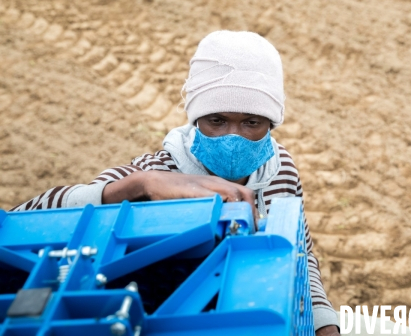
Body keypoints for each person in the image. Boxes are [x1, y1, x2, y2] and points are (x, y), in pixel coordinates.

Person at [11, 30, 341, 336]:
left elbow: (302, 253)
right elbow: (31, 215)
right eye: (217, 120)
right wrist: (137, 186)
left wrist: (323, 319)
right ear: (195, 118)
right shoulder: (159, 171)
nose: (232, 136)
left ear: (271, 123)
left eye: (251, 122)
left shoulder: (280, 170)